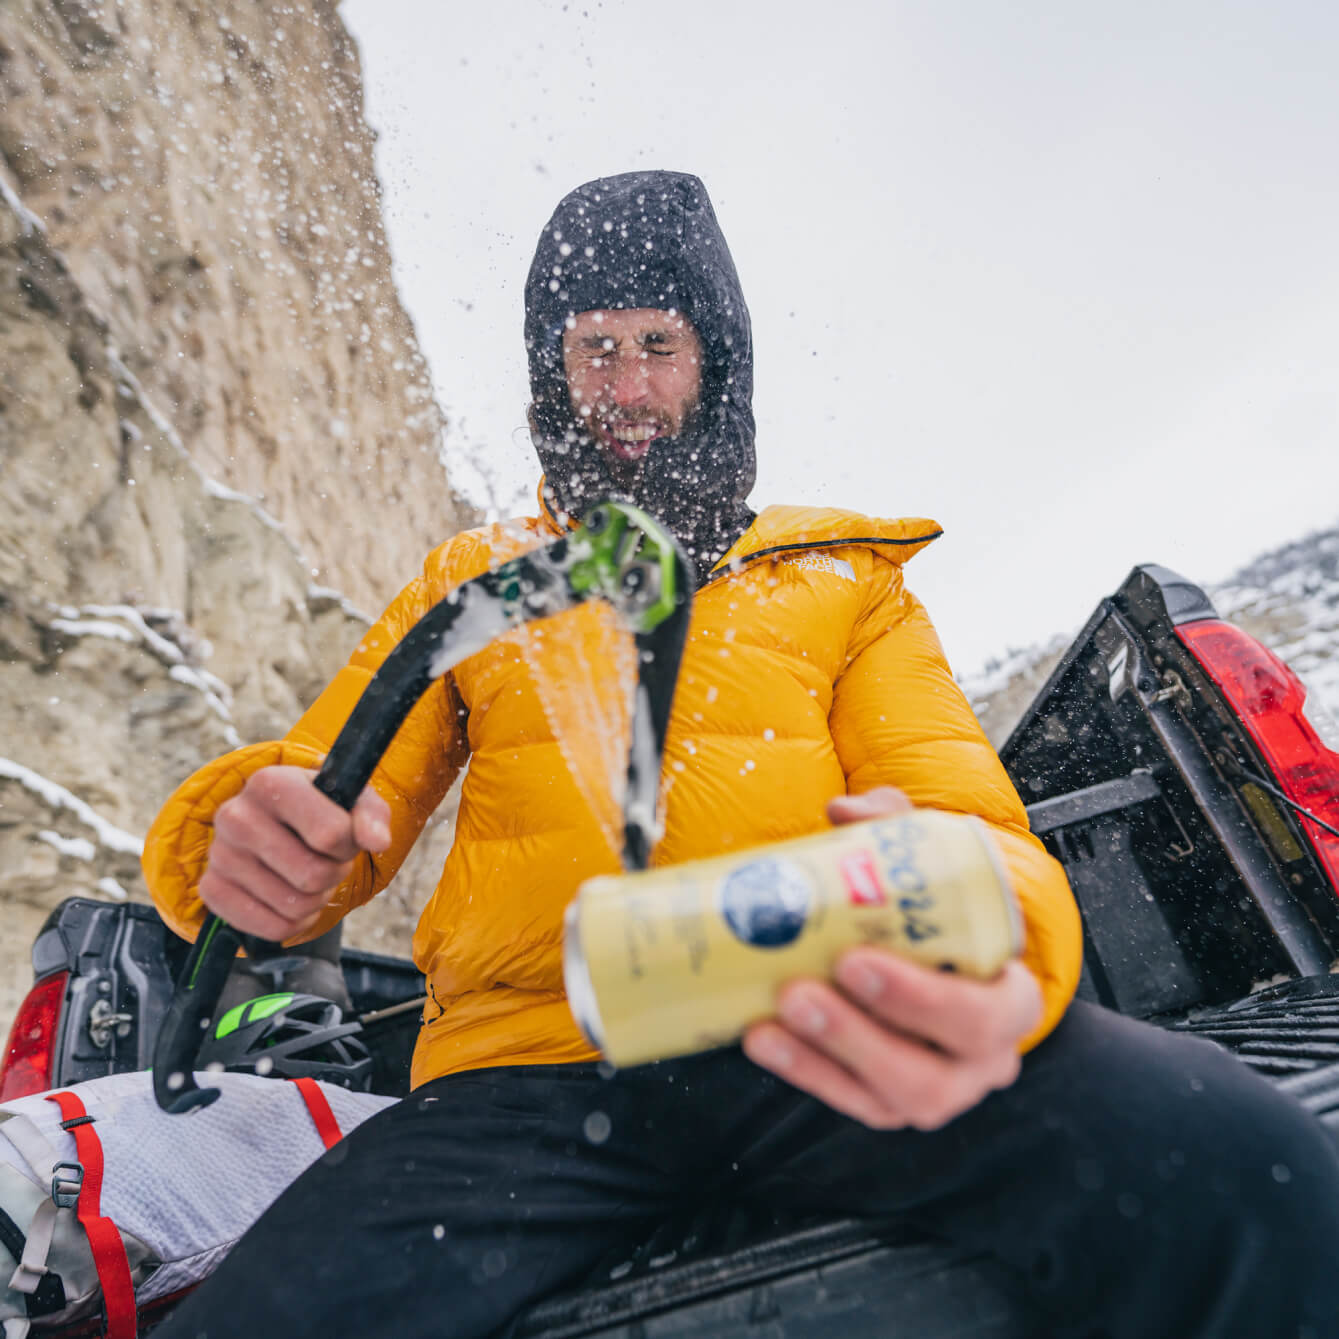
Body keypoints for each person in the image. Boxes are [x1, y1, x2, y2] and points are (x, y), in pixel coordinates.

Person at [144, 172, 1339, 1339]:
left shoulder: (847, 580)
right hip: (527, 1077)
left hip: (821, 1023)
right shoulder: (475, 581)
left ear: (716, 360)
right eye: (592, 349)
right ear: (550, 369)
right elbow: (323, 789)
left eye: (657, 345)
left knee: (1253, 1175)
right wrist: (249, 849)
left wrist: (986, 935)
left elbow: (973, 826)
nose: (624, 386)